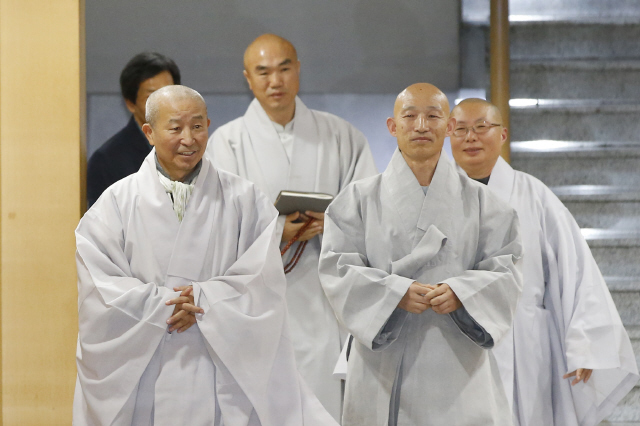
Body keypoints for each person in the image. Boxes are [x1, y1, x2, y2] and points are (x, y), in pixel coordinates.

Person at [73, 85, 337, 426]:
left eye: (198, 126)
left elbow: (262, 279)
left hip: (221, 363)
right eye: (175, 127)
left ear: (209, 126)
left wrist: (204, 300)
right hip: (146, 365)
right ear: (149, 133)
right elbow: (100, 283)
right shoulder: (116, 203)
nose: (189, 138)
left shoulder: (245, 199)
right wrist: (165, 305)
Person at [318, 83, 523, 425]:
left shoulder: (487, 204)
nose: (422, 126)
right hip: (382, 363)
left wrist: (462, 292)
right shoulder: (356, 200)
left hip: (458, 360)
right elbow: (337, 269)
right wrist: (394, 294)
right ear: (393, 126)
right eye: (410, 116)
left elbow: (507, 270)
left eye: (433, 116)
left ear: (448, 127)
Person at [207, 33, 378, 420]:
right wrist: (274, 232)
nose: (275, 81)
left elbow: (370, 211)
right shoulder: (227, 143)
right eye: (263, 72)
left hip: (323, 300)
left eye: (284, 69)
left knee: (321, 404)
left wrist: (333, 222)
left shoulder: (341, 136)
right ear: (247, 79)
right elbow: (215, 227)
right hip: (256, 303)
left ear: (298, 70)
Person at [450, 98, 639, 426]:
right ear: (447, 135)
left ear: (503, 135)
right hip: (451, 342)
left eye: (481, 127)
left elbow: (576, 270)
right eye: (461, 129)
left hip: (523, 341)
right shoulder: (432, 198)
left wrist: (585, 343)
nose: (471, 137)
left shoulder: (534, 195)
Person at [87, 52, 180, 206]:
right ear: (130, 104)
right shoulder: (107, 160)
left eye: (169, 94)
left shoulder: (191, 146)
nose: (164, 104)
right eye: (152, 98)